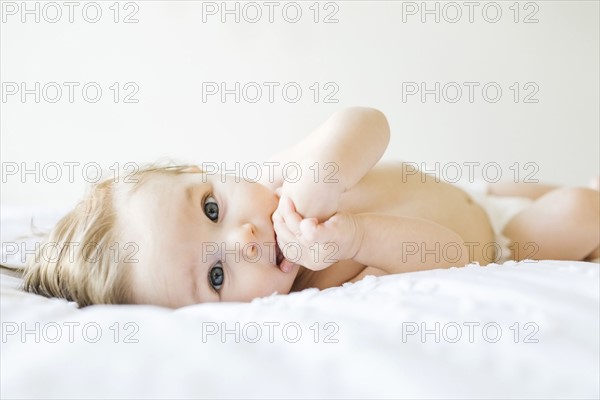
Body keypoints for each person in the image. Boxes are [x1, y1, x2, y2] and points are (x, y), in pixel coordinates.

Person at [22, 107, 600, 308]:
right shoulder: (323, 281)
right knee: (578, 209)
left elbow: (369, 122)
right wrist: (356, 238)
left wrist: (325, 172)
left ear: (209, 175)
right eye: (217, 275)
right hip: (500, 241)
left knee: (525, 185)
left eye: (211, 209)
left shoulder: (281, 178)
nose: (244, 238)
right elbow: (451, 257)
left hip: (479, 194)